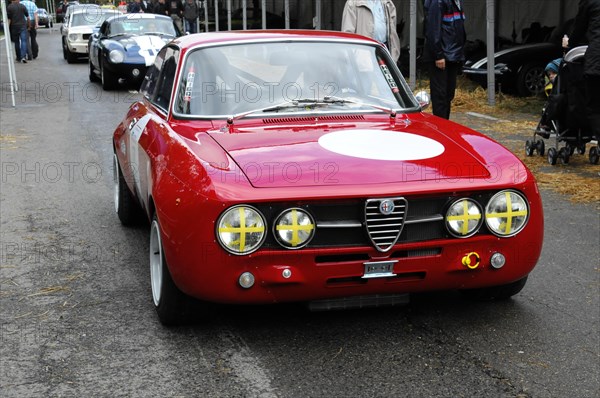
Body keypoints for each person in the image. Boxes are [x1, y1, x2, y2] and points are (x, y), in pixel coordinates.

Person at [423, 0, 467, 119]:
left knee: (448, 94)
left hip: (453, 54)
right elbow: (433, 30)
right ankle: (440, 126)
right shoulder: (438, 2)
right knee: (440, 96)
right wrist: (438, 55)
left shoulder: (457, 2)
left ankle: (445, 123)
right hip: (442, 55)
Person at [565, 0, 600, 140]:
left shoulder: (590, 2)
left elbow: (579, 27)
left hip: (596, 61)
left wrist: (569, 43)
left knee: (595, 106)